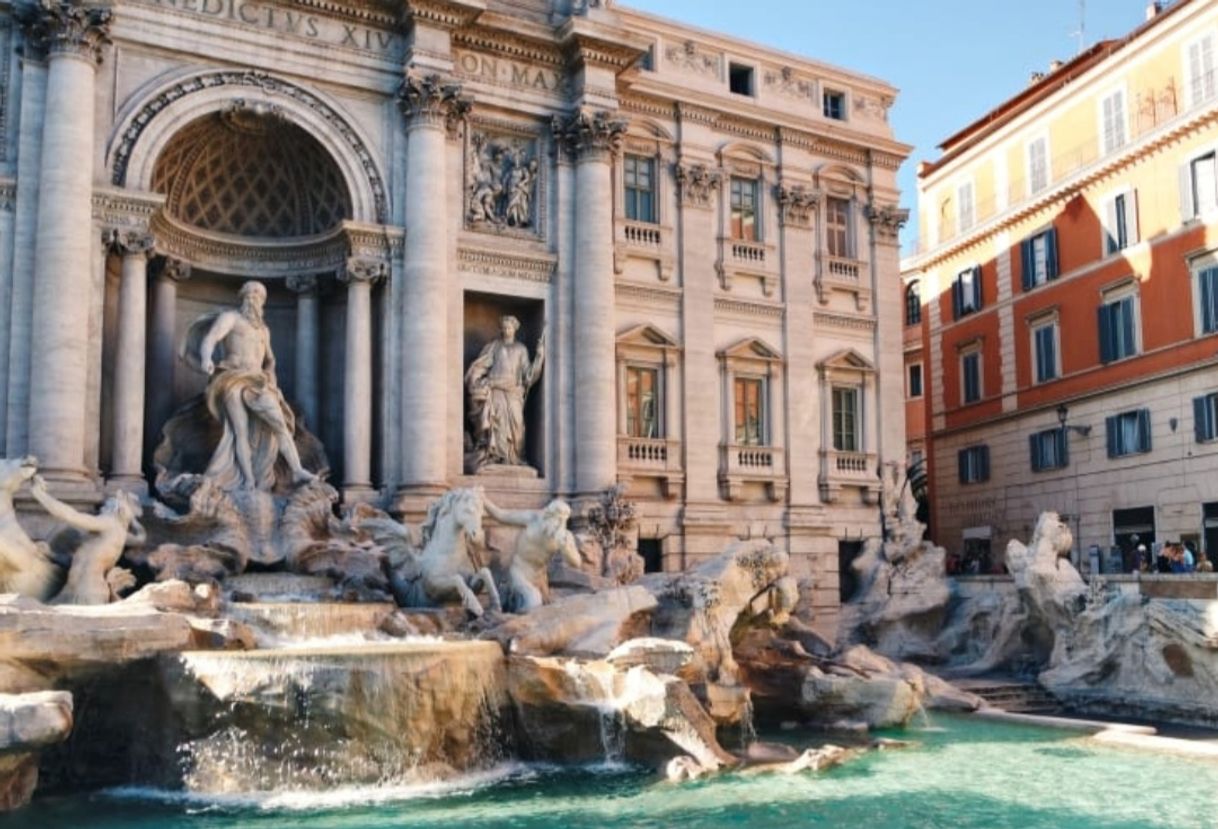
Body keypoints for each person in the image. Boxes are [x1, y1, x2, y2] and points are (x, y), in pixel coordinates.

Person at [183, 281, 316, 491]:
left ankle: (297, 469)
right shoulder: (231, 318)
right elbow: (211, 338)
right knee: (239, 432)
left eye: (259, 295)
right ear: (243, 296)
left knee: (280, 424)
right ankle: (248, 481)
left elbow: (270, 360)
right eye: (251, 293)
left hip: (258, 382)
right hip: (232, 378)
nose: (255, 297)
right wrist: (206, 358)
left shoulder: (263, 330)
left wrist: (271, 375)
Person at [464, 315, 545, 471]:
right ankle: (497, 458)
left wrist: (540, 356)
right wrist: (476, 381)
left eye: (510, 328)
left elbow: (528, 375)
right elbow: (480, 366)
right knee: (497, 423)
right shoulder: (494, 346)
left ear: (515, 329)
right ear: (501, 329)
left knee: (517, 425)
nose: (507, 330)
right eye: (504, 327)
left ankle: (515, 458)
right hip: (496, 390)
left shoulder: (521, 349)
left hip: (513, 391)